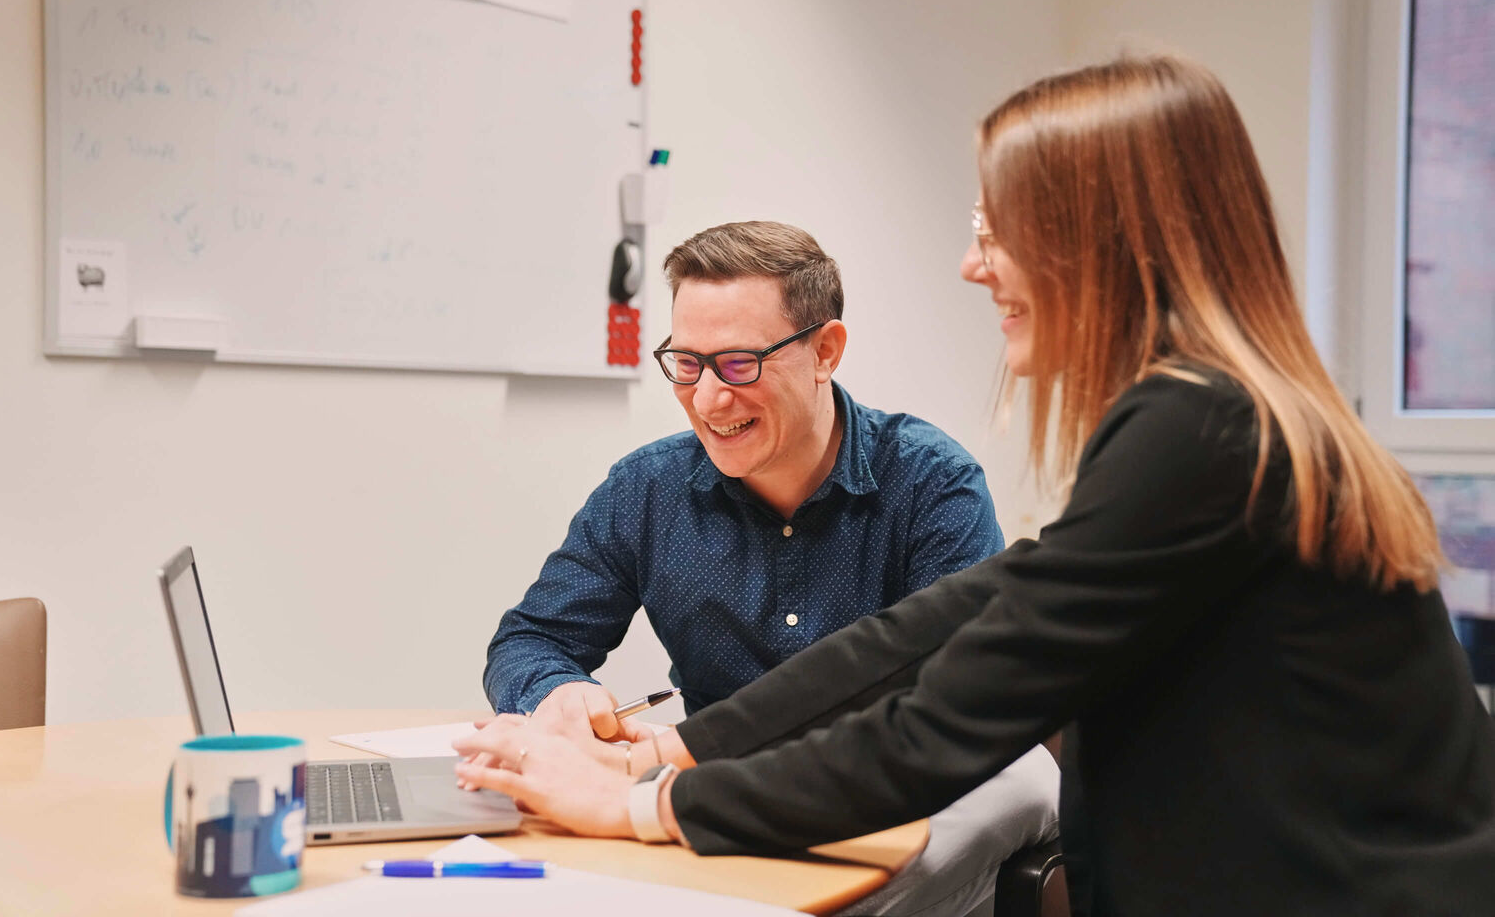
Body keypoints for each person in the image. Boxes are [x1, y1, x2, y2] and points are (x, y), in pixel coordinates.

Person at [453, 55, 1495, 916]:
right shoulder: (1214, 415)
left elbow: (940, 718)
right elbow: (965, 610)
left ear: (1101, 241)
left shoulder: (1197, 428)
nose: (972, 263)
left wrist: (645, 802)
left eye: (997, 230)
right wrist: (674, 743)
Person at [480, 220, 1060, 915]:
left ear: (825, 350)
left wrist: (658, 766)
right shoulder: (648, 489)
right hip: (718, 793)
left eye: (738, 364)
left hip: (895, 780)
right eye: (687, 364)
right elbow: (529, 639)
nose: (707, 399)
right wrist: (556, 692)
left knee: (1002, 792)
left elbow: (943, 710)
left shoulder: (931, 484)